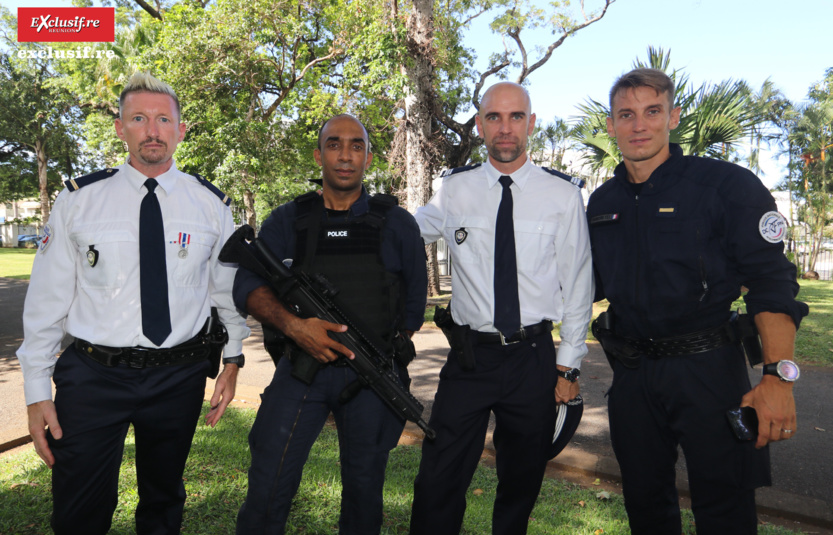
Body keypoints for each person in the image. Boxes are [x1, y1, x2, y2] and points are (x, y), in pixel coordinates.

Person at [16, 72, 249, 535]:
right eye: (139, 118)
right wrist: (36, 390)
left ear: (181, 130)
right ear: (121, 128)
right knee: (78, 505)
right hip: (93, 377)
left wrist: (233, 358)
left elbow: (225, 292)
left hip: (178, 377)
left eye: (164, 119)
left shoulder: (211, 205)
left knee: (163, 501)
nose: (153, 130)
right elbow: (47, 302)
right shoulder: (80, 200)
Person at [587, 68, 809, 534]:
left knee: (725, 509)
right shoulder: (602, 202)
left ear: (674, 116)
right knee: (645, 507)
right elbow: (585, 285)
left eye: (652, 111)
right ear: (611, 125)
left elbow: (771, 282)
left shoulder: (725, 186)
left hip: (709, 371)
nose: (639, 125)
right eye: (626, 114)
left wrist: (777, 378)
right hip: (632, 376)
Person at [410, 82, 594, 535]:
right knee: (439, 475)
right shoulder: (454, 190)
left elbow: (578, 285)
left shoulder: (562, 196)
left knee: (521, 479)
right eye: (494, 117)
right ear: (480, 125)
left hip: (533, 359)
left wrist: (567, 367)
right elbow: (407, 231)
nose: (505, 128)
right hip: (471, 358)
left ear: (531, 124)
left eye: (516, 117)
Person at [233, 114, 427, 534]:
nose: (345, 155)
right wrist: (296, 328)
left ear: (369, 158)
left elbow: (414, 305)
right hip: (302, 371)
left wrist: (374, 353)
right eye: (334, 144)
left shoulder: (397, 224)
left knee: (363, 491)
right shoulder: (288, 221)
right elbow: (249, 285)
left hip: (369, 377)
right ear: (318, 153)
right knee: (269, 478)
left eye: (356, 145)